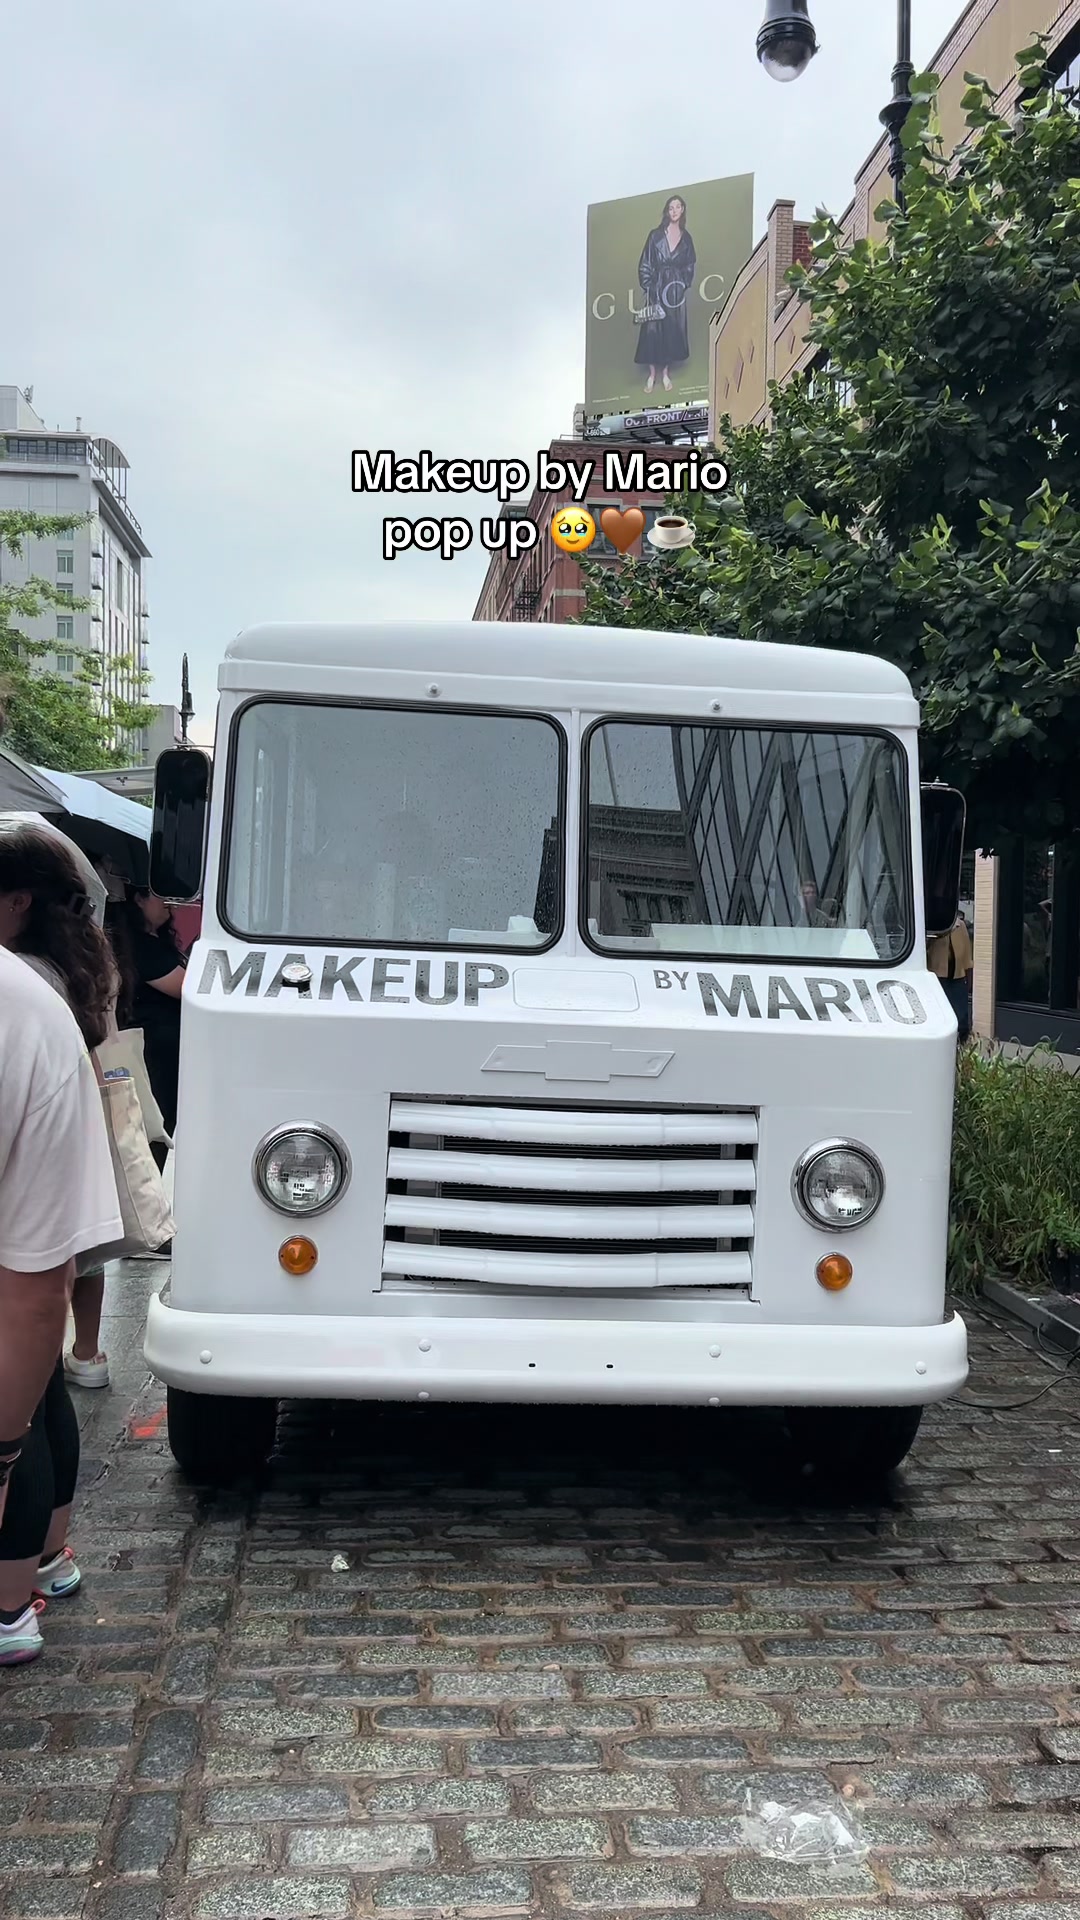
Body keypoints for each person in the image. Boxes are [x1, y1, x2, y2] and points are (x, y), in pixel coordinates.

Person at [0, 946, 122, 1664]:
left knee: (20, 1413)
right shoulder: (51, 984)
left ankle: (13, 1603)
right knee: (39, 1392)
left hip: (26, 1250)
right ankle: (41, 1569)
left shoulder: (25, 993)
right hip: (55, 1203)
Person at [0, 823, 119, 1387]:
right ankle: (86, 1352)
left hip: (34, 1145)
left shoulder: (18, 985)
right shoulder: (72, 964)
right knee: (73, 1258)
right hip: (74, 1126)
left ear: (18, 901)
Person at [107, 887, 187, 1183]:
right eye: (159, 895)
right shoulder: (139, 946)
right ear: (138, 899)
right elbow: (186, 987)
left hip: (165, 1050)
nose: (169, 902)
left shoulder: (156, 942)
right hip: (151, 1050)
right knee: (155, 1123)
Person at [634, 195, 696, 395]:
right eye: (671, 207)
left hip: (675, 290)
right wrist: (649, 286)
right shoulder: (655, 236)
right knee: (652, 330)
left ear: (683, 209)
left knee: (671, 328)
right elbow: (645, 263)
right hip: (657, 286)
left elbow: (690, 264)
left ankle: (666, 373)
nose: (674, 211)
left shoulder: (686, 238)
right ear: (667, 211)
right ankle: (652, 374)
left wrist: (682, 284)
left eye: (678, 207)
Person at [928, 912, 974, 1040]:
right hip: (938, 977)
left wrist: (969, 977)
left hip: (957, 976)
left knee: (961, 1017)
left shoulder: (960, 925)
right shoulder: (933, 925)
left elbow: (967, 954)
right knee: (941, 1015)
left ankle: (962, 1043)